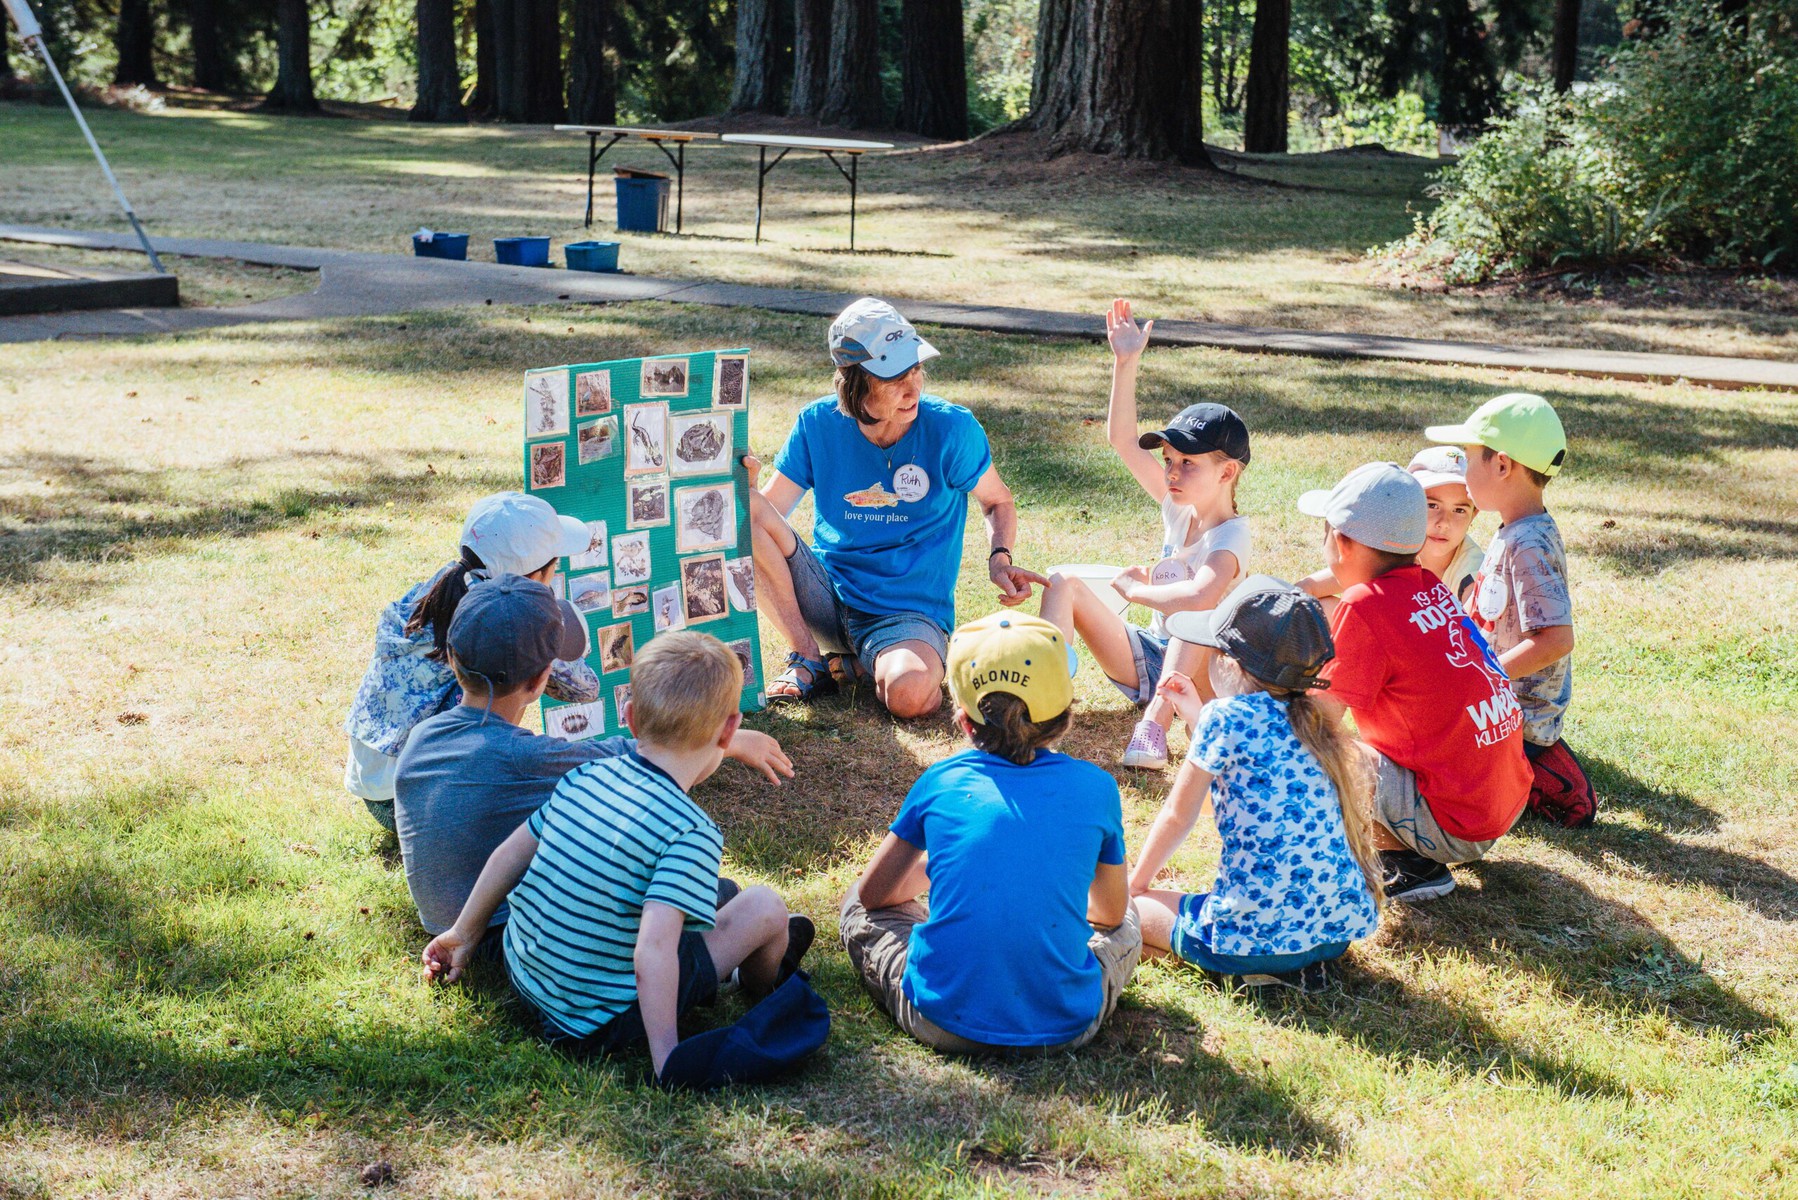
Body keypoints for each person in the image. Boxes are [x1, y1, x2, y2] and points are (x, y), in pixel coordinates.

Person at [422, 631, 814, 1080]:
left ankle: (735, 962)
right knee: (764, 907)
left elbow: (508, 856)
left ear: (628, 716)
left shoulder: (585, 774)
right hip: (596, 1018)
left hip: (524, 971)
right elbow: (653, 949)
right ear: (729, 730)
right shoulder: (691, 831)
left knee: (709, 895)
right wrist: (667, 1055)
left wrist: (465, 934)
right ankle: (757, 982)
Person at [394, 574, 792, 940]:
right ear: (540, 681)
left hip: (446, 921)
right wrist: (732, 740)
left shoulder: (423, 735)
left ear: (452, 656)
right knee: (711, 892)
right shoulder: (522, 756)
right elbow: (654, 759)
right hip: (505, 932)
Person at [841, 613, 1141, 1054]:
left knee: (855, 905)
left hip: (939, 1020)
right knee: (1130, 921)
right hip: (1066, 1026)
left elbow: (873, 896)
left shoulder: (941, 780)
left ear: (963, 720)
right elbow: (1110, 915)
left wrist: (942, 866)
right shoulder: (1098, 788)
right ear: (1064, 715)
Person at [744, 297, 1043, 718]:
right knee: (746, 509)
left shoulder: (951, 428)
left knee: (909, 695)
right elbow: (768, 512)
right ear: (854, 382)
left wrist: (999, 557)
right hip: (825, 596)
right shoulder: (818, 422)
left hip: (906, 614)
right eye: (894, 377)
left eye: (916, 369)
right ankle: (808, 657)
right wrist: (749, 487)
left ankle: (859, 667)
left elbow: (997, 500)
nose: (913, 387)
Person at [1129, 577, 1383, 994]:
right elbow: (1240, 784)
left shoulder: (1225, 719)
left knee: (1136, 911)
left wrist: (1137, 884)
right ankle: (1290, 966)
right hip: (1335, 933)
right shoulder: (1316, 721)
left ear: (1231, 664)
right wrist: (1194, 711)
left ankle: (1253, 968)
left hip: (1253, 937)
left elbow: (1180, 813)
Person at [1299, 462, 1532, 903]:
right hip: (1501, 800)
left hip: (1458, 823)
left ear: (1341, 542)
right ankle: (1420, 841)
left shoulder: (1364, 605)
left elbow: (1319, 719)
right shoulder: (1429, 584)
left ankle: (1410, 864)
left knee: (1314, 749)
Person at [1038, 300, 1252, 771]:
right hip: (1152, 655)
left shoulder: (1232, 536)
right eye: (1169, 461)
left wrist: (1137, 590)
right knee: (1062, 582)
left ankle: (1157, 721)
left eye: (1187, 464)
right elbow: (1122, 440)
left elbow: (1201, 594)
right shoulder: (1177, 504)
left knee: (1198, 614)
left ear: (1227, 472)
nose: (1171, 473)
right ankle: (1040, 706)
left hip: (1203, 676)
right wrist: (1125, 363)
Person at [343, 492, 599, 832]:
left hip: (373, 781)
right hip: (413, 801)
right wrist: (550, 620)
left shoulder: (443, 585)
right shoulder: (506, 618)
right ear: (536, 576)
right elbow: (584, 688)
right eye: (555, 565)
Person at [1427, 393, 1594, 828]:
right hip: (1497, 703)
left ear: (1501, 465)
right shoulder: (1515, 529)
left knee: (1425, 758)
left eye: (1468, 459)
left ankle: (1532, 775)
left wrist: (1484, 676)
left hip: (1513, 719)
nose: (1463, 475)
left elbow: (1557, 639)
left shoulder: (1529, 543)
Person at [1299, 446, 1483, 610]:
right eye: (1432, 505)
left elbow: (1472, 643)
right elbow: (1314, 586)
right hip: (1392, 634)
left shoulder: (1472, 575)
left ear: (1474, 514)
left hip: (1420, 645)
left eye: (1459, 510)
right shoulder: (1396, 545)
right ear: (1406, 506)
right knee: (1319, 608)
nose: (1444, 522)